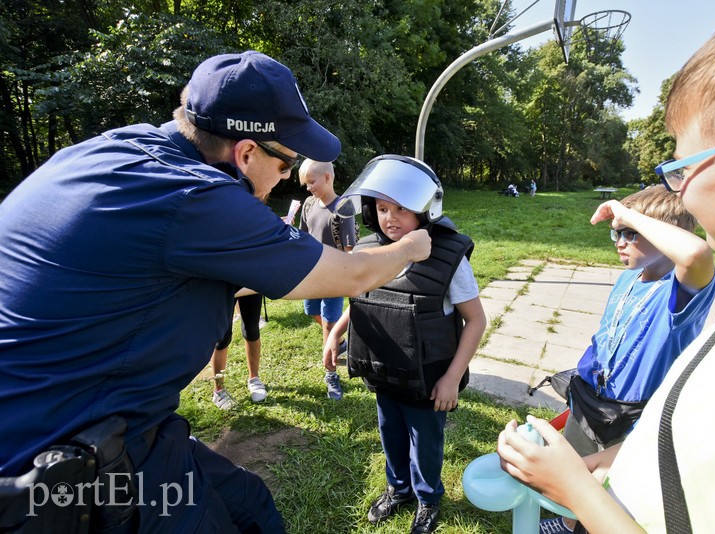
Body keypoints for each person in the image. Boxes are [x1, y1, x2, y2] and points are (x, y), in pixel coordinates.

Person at [0, 51, 431, 533]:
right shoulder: (196, 196)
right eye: (286, 162)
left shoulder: (116, 149)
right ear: (246, 154)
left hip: (108, 425)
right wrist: (412, 246)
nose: (288, 176)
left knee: (250, 505)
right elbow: (350, 275)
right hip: (57, 466)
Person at [497, 2, 715, 532]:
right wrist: (590, 470)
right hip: (599, 420)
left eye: (681, 167)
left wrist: (574, 490)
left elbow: (697, 256)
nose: (621, 238)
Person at [540, 185, 715, 533]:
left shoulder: (679, 292)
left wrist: (629, 213)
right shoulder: (627, 278)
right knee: (575, 471)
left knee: (610, 492)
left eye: (631, 234)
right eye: (616, 233)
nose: (619, 241)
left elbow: (697, 255)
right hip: (590, 400)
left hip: (634, 417)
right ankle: (566, 522)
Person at [324, 155, 486, 534]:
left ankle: (428, 499)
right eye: (382, 208)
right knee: (390, 434)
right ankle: (398, 490)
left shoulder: (449, 258)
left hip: (429, 380)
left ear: (425, 209)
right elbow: (360, 295)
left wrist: (452, 378)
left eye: (401, 208)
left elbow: (476, 320)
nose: (390, 217)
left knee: (425, 442)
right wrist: (337, 331)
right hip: (383, 371)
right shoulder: (370, 250)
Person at [298, 159, 357, 400]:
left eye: (311, 182)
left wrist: (349, 276)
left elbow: (349, 249)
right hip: (311, 274)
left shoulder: (344, 206)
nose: (308, 187)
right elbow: (302, 235)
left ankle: (330, 373)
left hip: (333, 276)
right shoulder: (309, 204)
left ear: (327, 178)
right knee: (311, 311)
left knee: (329, 324)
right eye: (306, 184)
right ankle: (340, 341)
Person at [210, 293, 268, 409]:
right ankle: (219, 391)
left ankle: (254, 379)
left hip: (249, 280)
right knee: (222, 337)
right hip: (223, 283)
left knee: (252, 330)